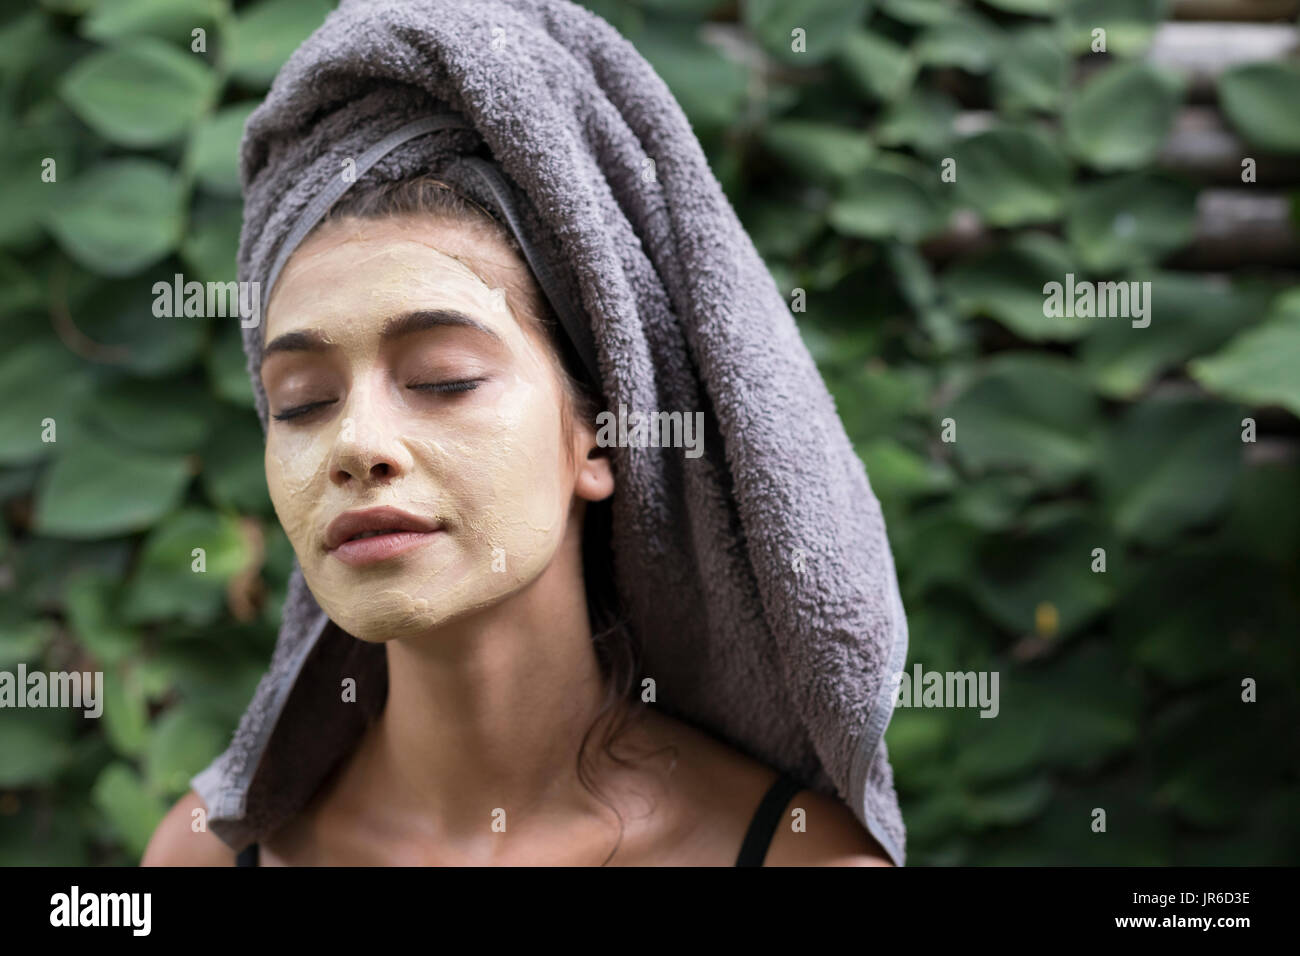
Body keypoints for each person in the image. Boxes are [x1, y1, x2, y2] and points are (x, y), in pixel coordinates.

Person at [142, 175, 894, 867]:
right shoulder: (204, 856)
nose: (356, 444)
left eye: (444, 380)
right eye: (302, 401)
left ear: (597, 438)